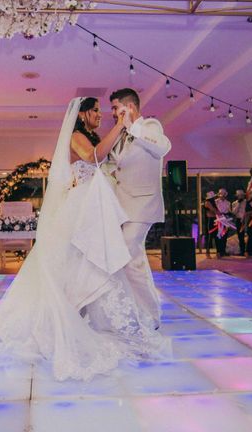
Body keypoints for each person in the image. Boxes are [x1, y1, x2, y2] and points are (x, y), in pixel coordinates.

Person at [0, 97, 169, 382]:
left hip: (93, 204)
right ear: (82, 115)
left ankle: (83, 310)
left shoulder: (94, 135)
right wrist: (118, 126)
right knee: (77, 259)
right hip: (80, 206)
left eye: (106, 111)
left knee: (90, 262)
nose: (101, 115)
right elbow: (92, 158)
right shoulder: (77, 136)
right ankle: (64, 314)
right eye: (96, 111)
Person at [107, 88, 172, 328]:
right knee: (135, 259)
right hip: (123, 206)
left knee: (126, 255)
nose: (113, 113)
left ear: (129, 107)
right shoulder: (121, 135)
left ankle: (150, 315)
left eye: (116, 108)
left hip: (142, 203)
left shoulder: (150, 126)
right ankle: (143, 312)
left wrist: (132, 127)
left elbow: (163, 146)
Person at [214, 188, 232, 257]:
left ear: (225, 195)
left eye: (223, 194)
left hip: (226, 220)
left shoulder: (228, 202)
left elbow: (229, 211)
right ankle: (218, 251)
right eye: (221, 194)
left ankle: (223, 251)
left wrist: (228, 215)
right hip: (218, 220)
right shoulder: (216, 202)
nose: (222, 195)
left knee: (225, 236)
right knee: (218, 236)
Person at [203, 191, 218, 258]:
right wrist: (218, 212)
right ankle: (207, 252)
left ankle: (218, 252)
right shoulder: (207, 203)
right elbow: (213, 210)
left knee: (216, 236)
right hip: (210, 220)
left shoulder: (213, 203)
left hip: (215, 219)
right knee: (210, 236)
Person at [232, 189, 247, 256]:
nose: (240, 196)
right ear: (237, 196)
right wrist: (238, 203)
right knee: (240, 236)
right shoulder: (234, 203)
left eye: (242, 195)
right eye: (239, 195)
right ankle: (242, 251)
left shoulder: (246, 202)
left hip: (246, 220)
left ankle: (248, 250)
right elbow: (234, 212)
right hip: (238, 220)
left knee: (248, 235)